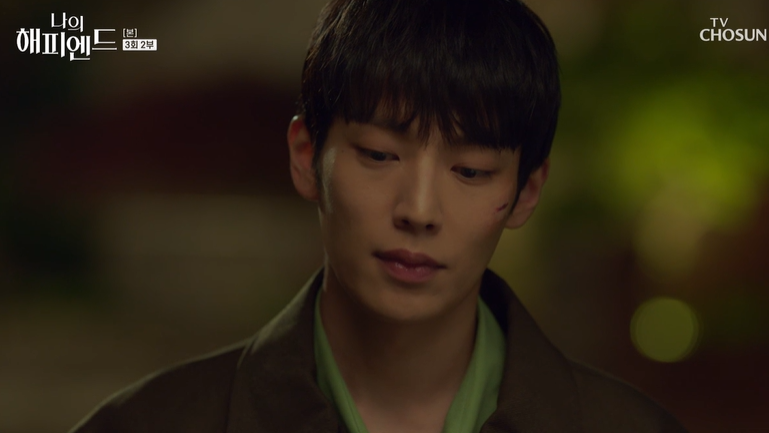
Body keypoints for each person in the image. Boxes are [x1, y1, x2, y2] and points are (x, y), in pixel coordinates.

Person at [70, 0, 688, 432]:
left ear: (526, 192)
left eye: (471, 171)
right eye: (378, 155)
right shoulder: (147, 425)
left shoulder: (630, 428)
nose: (418, 211)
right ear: (307, 158)